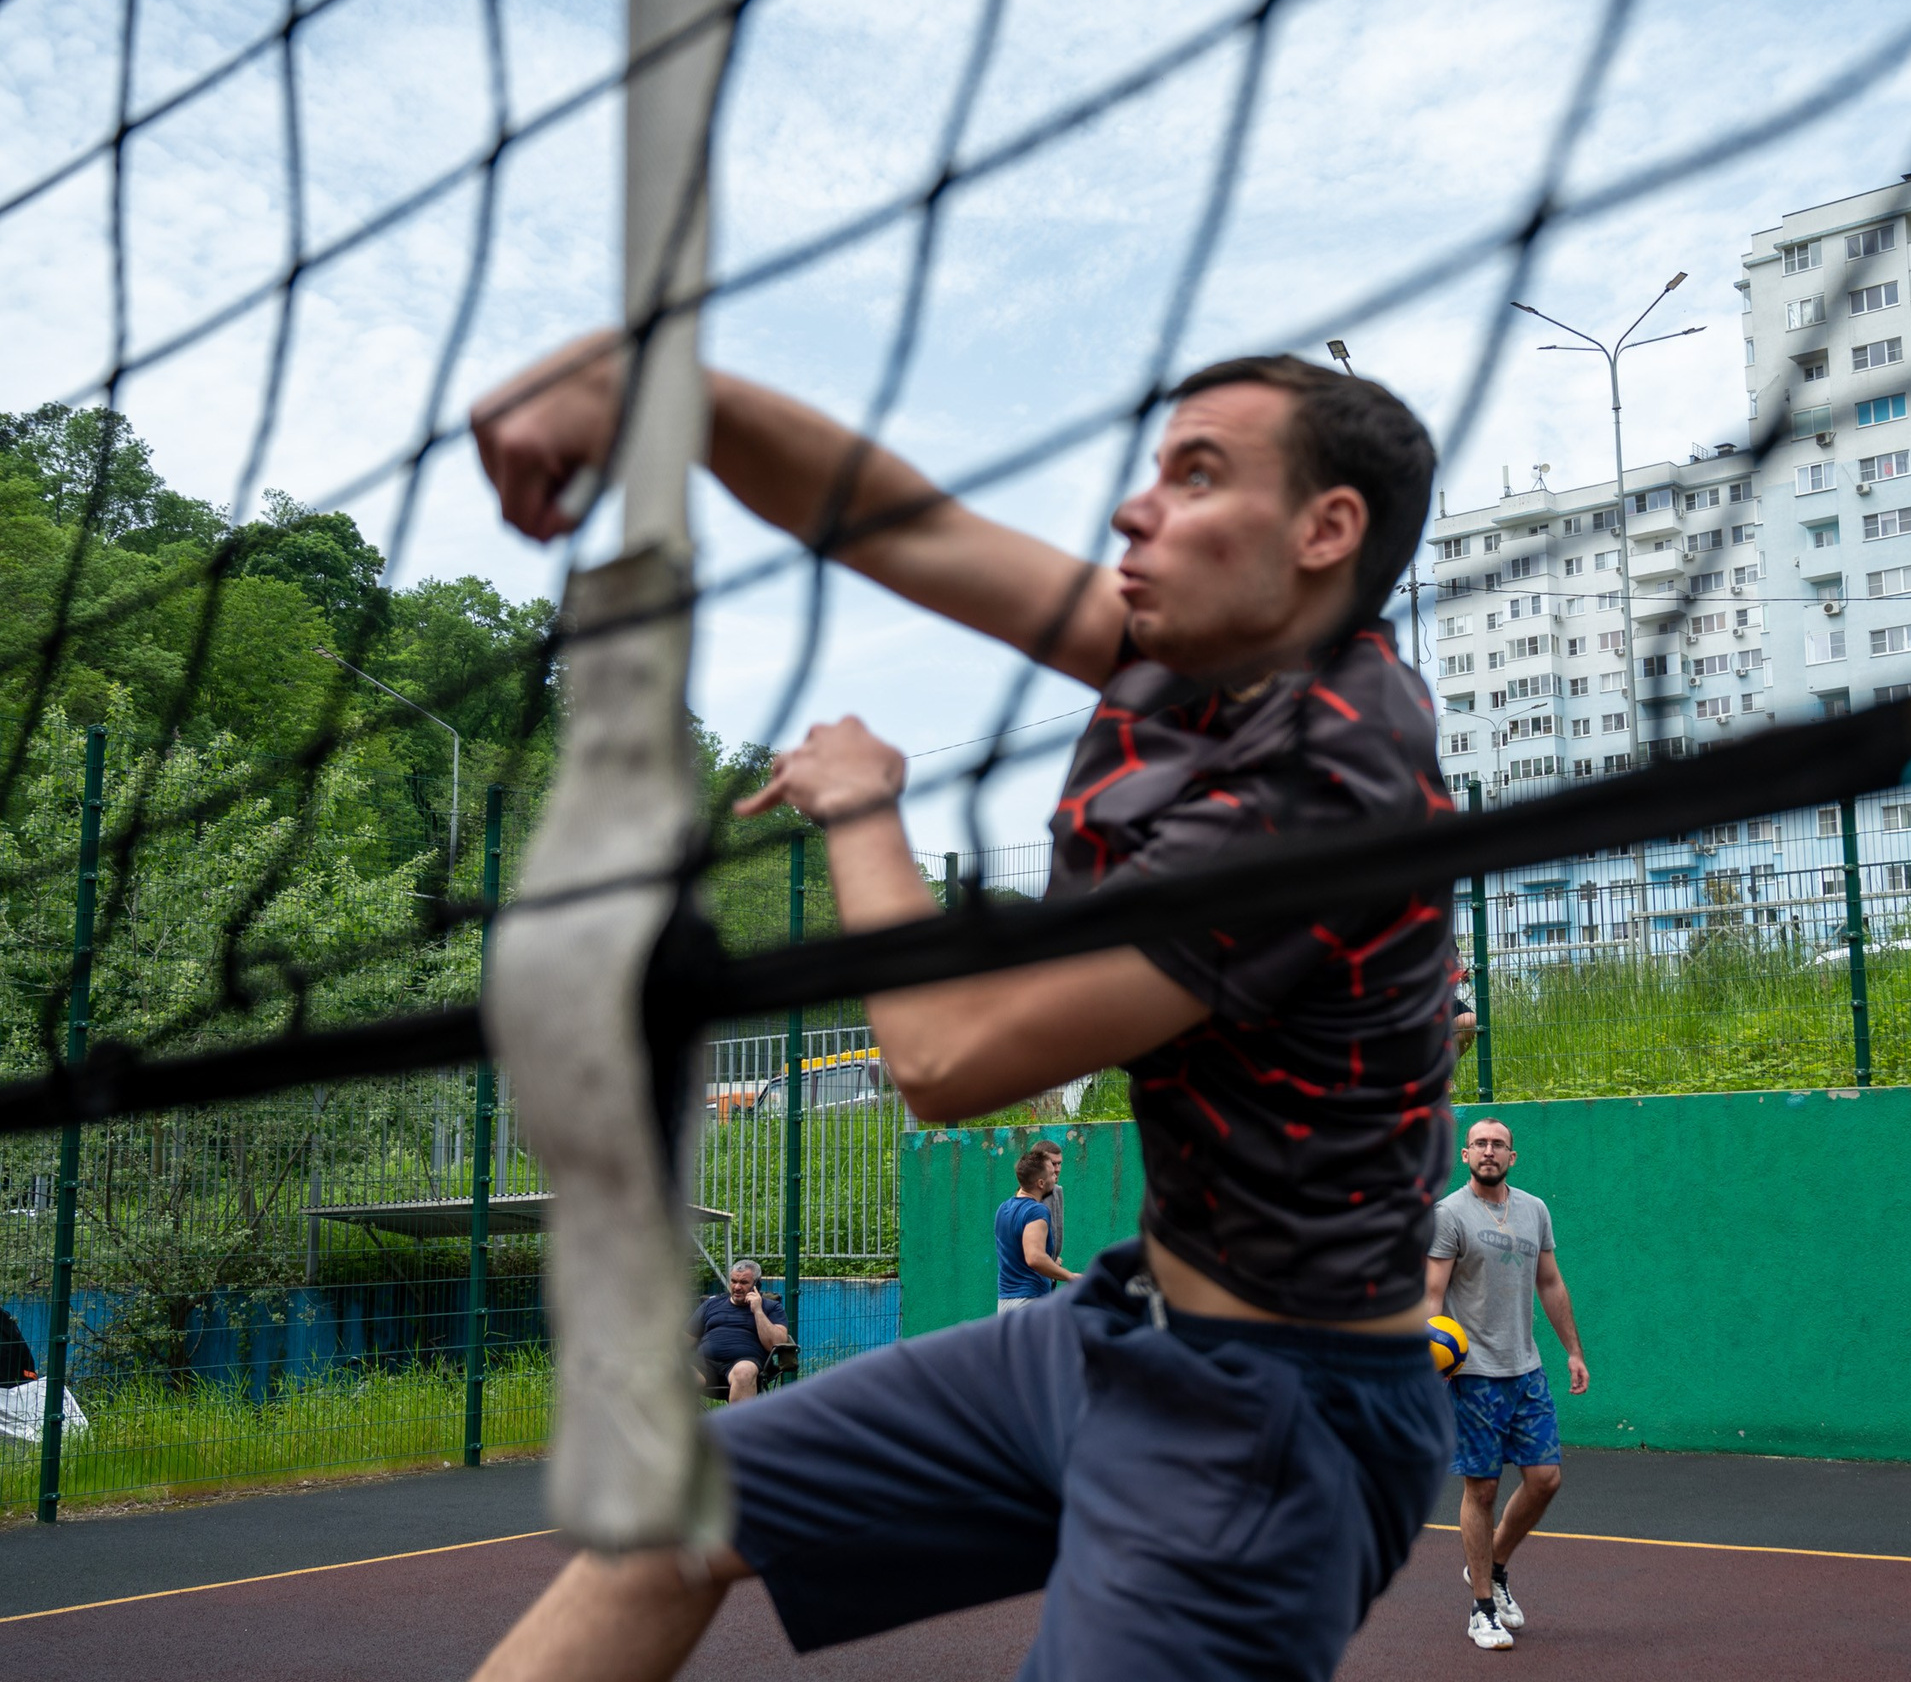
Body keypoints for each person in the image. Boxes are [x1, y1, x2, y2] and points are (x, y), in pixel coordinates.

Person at [468, 344, 1457, 1682]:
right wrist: (664, 387)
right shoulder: (1202, 654)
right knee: (668, 1529)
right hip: (1129, 1327)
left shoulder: (1322, 791)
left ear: (1324, 530)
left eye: (1196, 475)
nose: (1134, 509)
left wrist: (861, 806)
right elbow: (912, 526)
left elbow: (941, 1063)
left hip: (1276, 1417)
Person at [1424, 1116, 1590, 1653]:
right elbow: (1431, 1298)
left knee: (1545, 1479)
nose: (1489, 1151)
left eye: (1499, 1144)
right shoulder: (1448, 1215)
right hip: (1473, 1376)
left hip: (1526, 1369)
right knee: (1483, 1489)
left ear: (1512, 1157)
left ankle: (1491, 1567)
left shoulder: (1534, 1210)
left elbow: (1550, 1282)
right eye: (1480, 1144)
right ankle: (1481, 1609)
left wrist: (1572, 1351)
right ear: (1465, 1155)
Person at [689, 1260, 793, 1404]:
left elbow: (776, 1343)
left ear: (756, 1284)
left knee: (743, 1372)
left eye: (744, 1282)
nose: (737, 1287)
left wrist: (758, 1310)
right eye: (733, 1281)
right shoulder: (711, 1304)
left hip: (745, 1363)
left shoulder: (771, 1307)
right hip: (704, 1365)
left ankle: (738, 1419)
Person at [998, 1141, 1076, 1311]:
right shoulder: (1036, 1211)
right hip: (1030, 1300)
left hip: (1005, 1301)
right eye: (1051, 1170)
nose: (1056, 1173)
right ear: (1040, 1182)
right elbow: (1034, 1257)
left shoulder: (1003, 1208)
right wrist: (1070, 1276)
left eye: (1059, 1165)